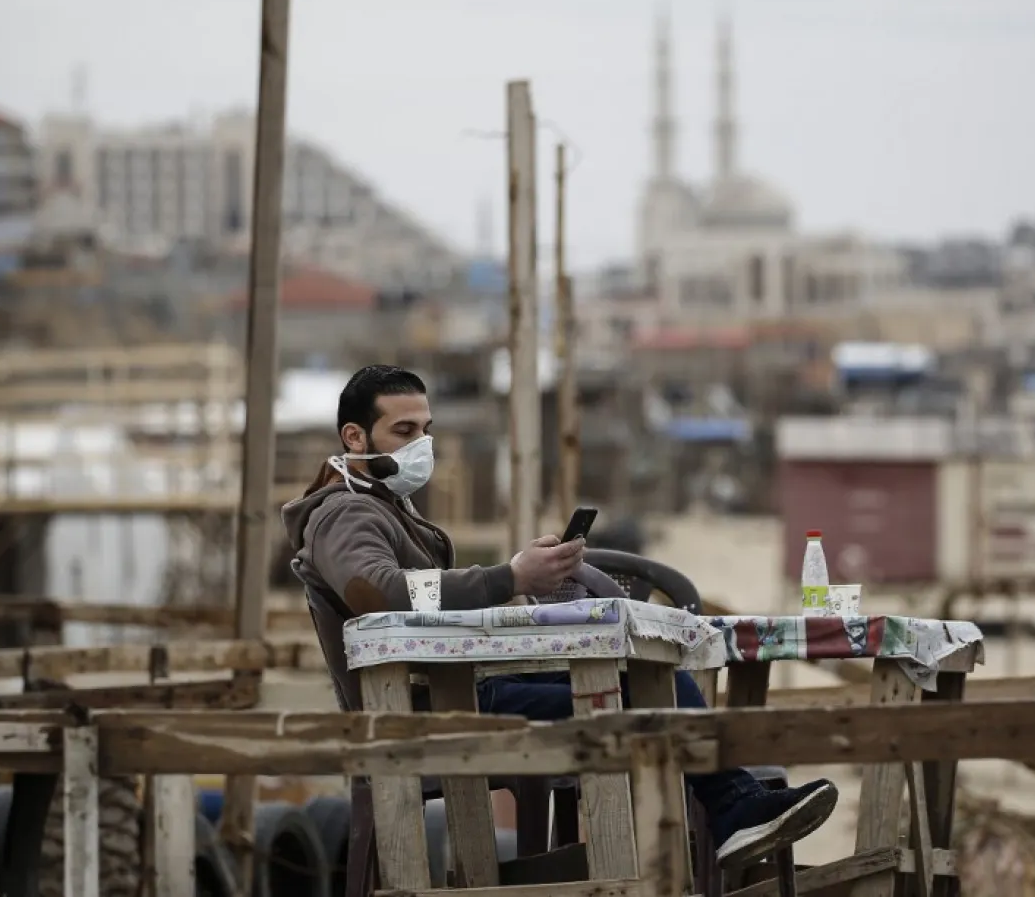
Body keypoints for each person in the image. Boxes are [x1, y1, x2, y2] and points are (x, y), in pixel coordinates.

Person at [285, 365, 839, 893]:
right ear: (354, 437)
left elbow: (423, 603)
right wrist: (506, 577)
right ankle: (727, 815)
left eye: (426, 430)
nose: (420, 445)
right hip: (428, 708)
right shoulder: (345, 514)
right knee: (635, 689)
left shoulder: (387, 510)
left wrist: (523, 584)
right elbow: (378, 593)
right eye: (403, 430)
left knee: (660, 684)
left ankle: (735, 810)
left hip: (461, 689)